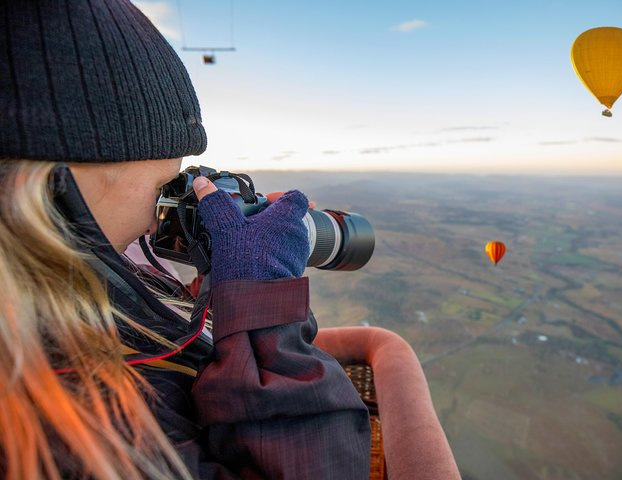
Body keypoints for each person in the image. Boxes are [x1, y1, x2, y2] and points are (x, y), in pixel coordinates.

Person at [0, 1, 370, 479]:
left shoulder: (64, 293)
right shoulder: (61, 419)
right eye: (163, 189)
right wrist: (262, 314)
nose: (158, 223)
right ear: (60, 180)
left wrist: (213, 302)